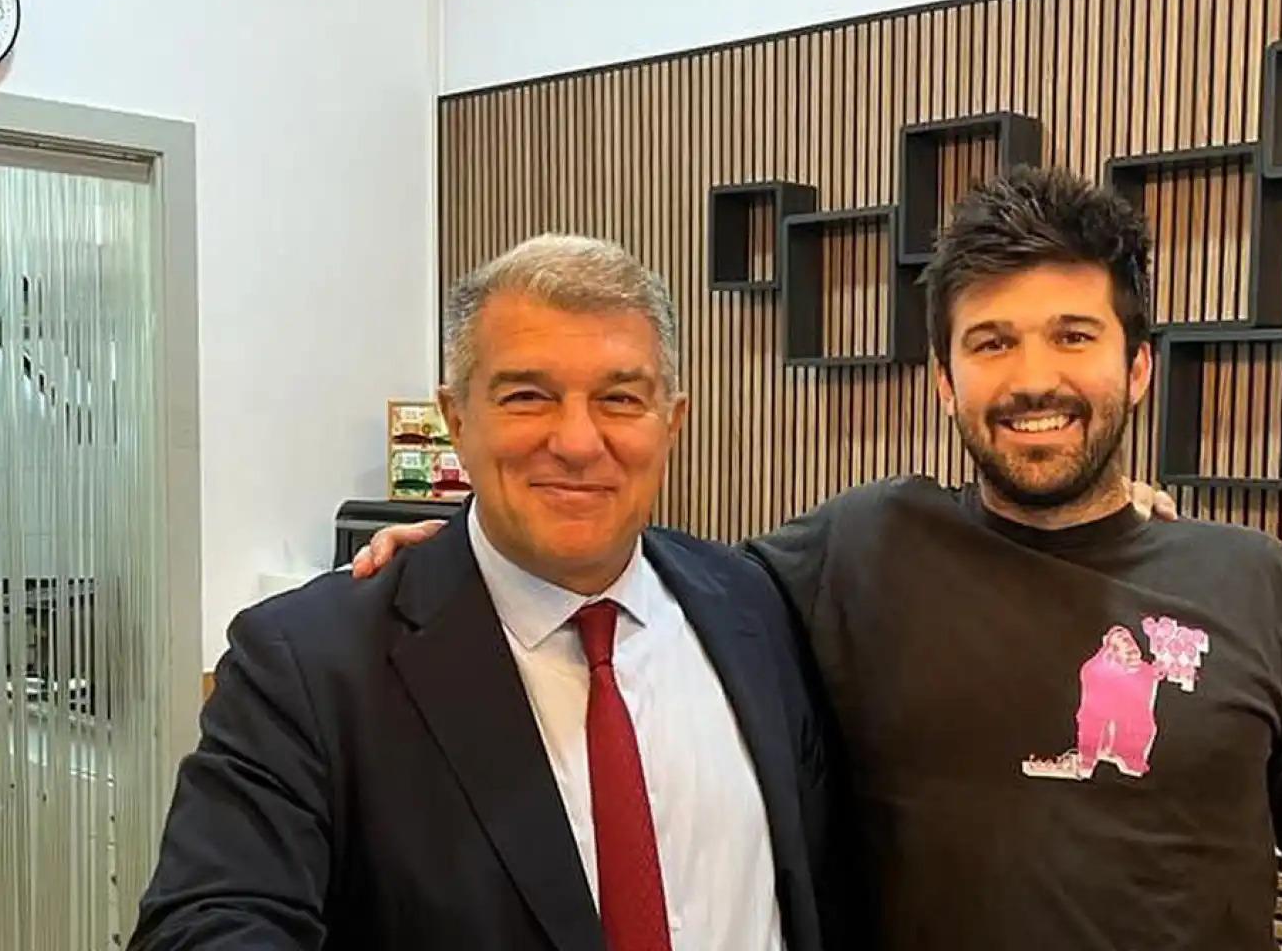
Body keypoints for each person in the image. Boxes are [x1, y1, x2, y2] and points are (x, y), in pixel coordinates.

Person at [357, 167, 1282, 950]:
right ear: (945, 382)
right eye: (991, 342)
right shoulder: (858, 551)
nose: (1032, 376)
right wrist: (473, 556)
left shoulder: (1254, 580)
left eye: (1073, 336)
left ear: (1137, 367)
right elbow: (646, 581)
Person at [133, 236, 836, 951]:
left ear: (671, 422)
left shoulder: (754, 604)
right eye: (528, 396)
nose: (577, 441)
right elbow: (204, 928)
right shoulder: (310, 667)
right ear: (455, 418)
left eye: (620, 399)